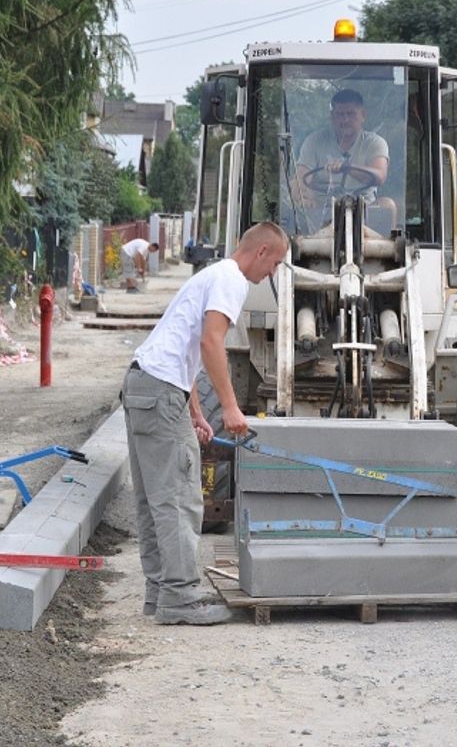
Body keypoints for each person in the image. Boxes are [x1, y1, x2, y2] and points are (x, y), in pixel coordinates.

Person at [121, 222, 289, 625]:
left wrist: (195, 412)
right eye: (275, 264)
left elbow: (186, 352)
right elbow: (211, 342)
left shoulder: (210, 275)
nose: (272, 274)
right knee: (179, 496)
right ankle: (180, 598)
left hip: (146, 383)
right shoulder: (232, 281)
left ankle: (159, 593)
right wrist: (230, 408)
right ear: (261, 251)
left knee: (154, 498)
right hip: (159, 389)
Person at [295, 89, 394, 230]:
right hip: (322, 211)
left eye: (351, 114)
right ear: (332, 116)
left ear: (363, 115)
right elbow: (300, 178)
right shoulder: (314, 141)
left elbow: (379, 176)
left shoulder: (375, 143)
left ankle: (385, 249)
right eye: (340, 114)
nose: (345, 120)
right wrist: (303, 197)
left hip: (365, 210)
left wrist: (347, 168)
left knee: (388, 205)